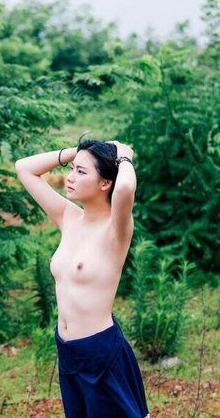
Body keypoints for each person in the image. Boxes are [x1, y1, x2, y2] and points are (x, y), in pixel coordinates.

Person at [15, 139, 149, 418]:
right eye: (72, 169)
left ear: (105, 183)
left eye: (81, 172)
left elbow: (125, 188)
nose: (71, 177)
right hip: (68, 351)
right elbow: (24, 168)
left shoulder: (116, 229)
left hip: (100, 353)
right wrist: (80, 153)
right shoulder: (68, 217)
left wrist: (124, 155)